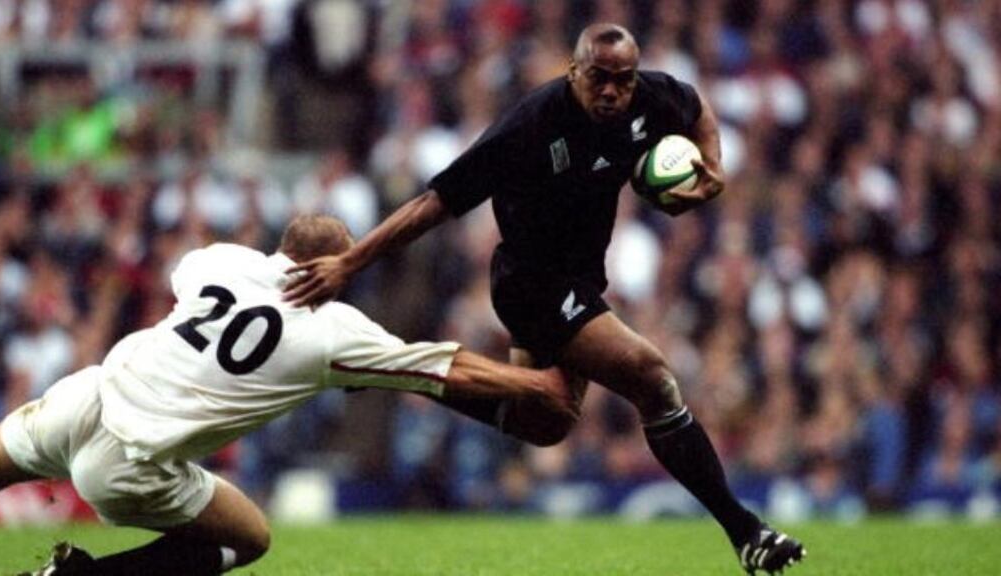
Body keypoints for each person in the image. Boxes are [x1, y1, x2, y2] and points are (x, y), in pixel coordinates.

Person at [283, 23, 806, 574]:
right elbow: (433, 202)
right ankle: (747, 532)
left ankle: (398, 367)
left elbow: (698, 109)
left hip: (580, 279)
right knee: (651, 377)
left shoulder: (650, 95)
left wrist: (714, 167)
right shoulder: (530, 125)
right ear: (574, 71)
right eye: (598, 79)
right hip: (529, 282)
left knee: (547, 420)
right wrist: (350, 261)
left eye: (621, 82)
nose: (611, 92)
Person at [0, 214, 578, 576]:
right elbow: (444, 367)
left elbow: (191, 272)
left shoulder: (217, 262)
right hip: (131, 462)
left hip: (88, 397)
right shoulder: (330, 332)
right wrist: (536, 382)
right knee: (250, 540)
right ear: (333, 268)